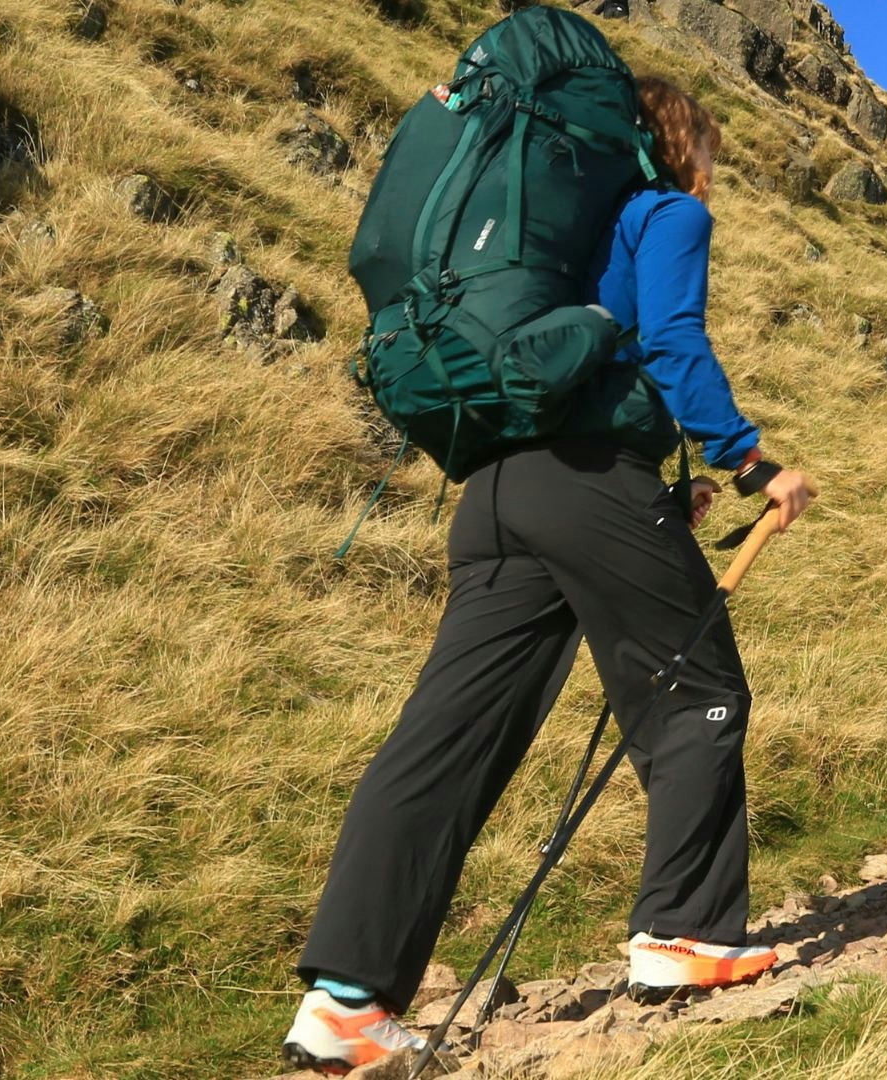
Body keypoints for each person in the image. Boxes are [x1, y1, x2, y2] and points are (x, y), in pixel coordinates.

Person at [282, 75, 814, 1074]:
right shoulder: (664, 211)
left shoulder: (543, 242)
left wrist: (658, 475)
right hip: (589, 487)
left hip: (492, 492)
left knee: (447, 738)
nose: (714, 174)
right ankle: (685, 935)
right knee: (698, 691)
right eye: (711, 154)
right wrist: (750, 461)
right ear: (680, 146)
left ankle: (345, 1001)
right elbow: (669, 340)